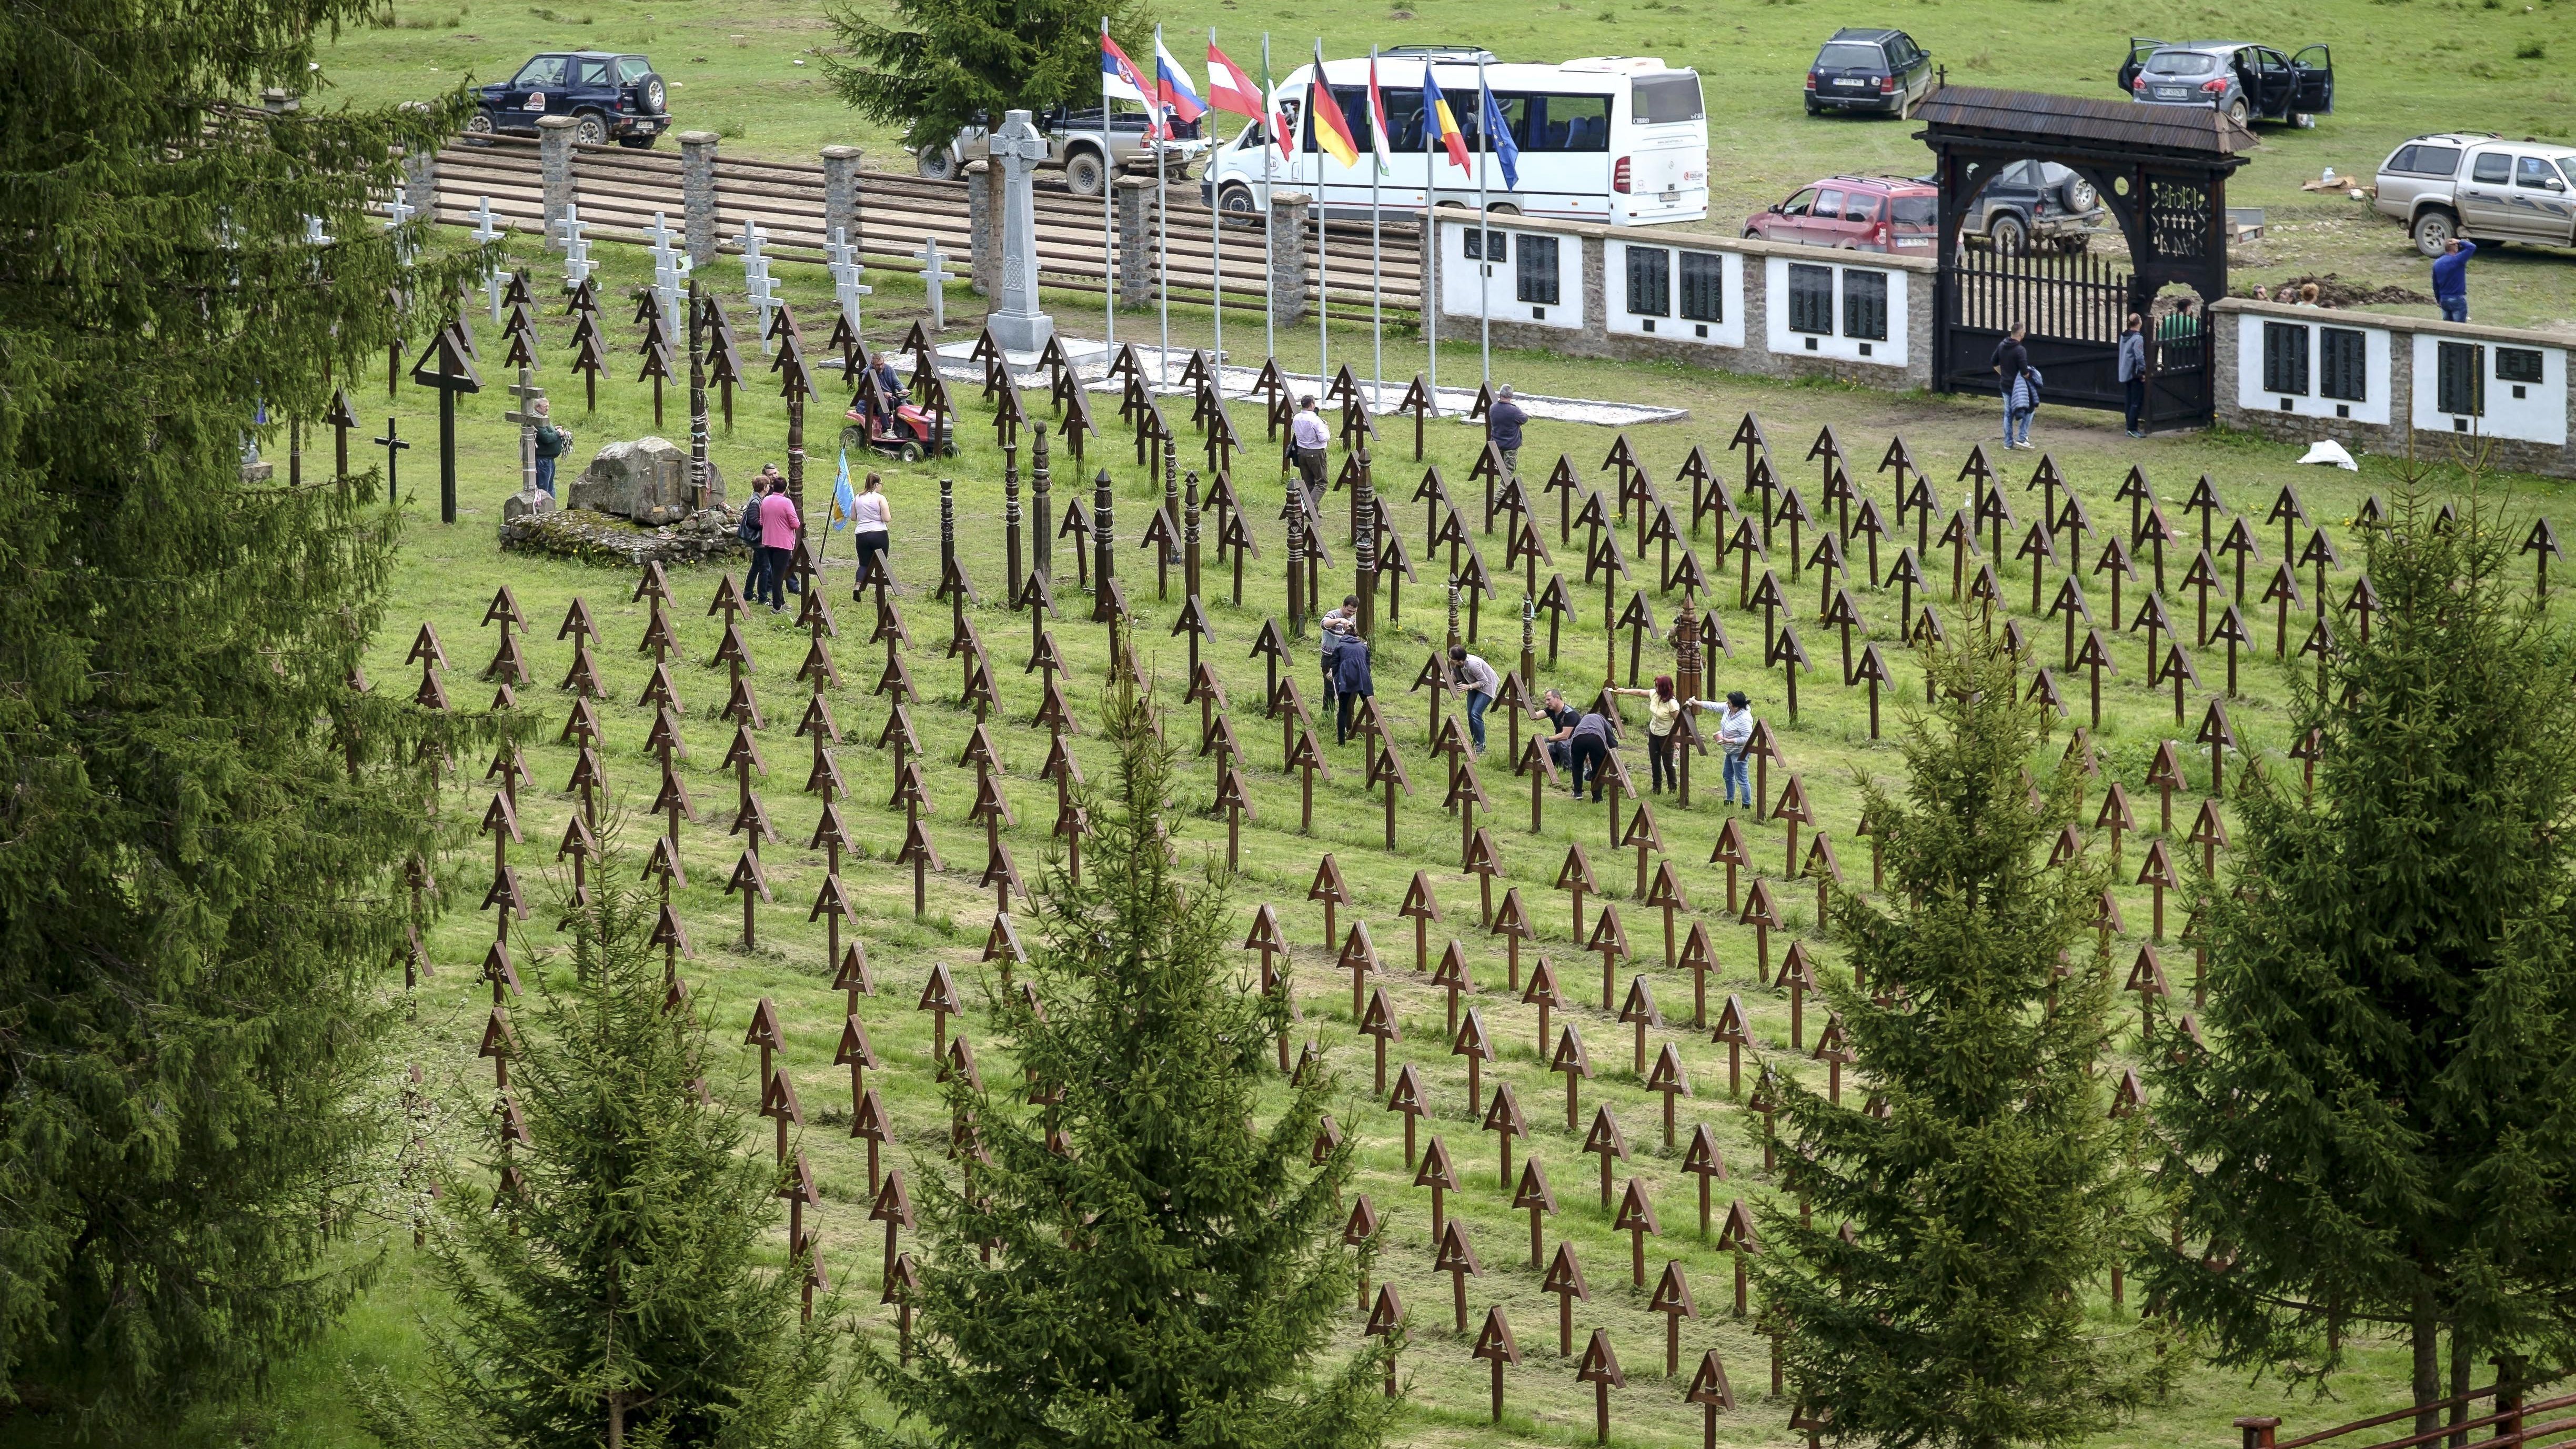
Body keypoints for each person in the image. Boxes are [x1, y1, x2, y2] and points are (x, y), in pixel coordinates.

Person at [1609, 676, 1685, 794]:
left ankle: (1672, 788)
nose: (1655, 688)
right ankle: (1656, 788)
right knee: (1654, 761)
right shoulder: (1654, 694)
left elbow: (1679, 723)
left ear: (1665, 688)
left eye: (1657, 686)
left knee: (1668, 764)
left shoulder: (1673, 704)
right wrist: (1625, 691)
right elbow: (1640, 692)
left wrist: (1678, 740)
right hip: (1653, 733)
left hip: (1666, 736)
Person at [1690, 690, 1755, 807]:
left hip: (1740, 752)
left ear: (1736, 706)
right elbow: (1714, 706)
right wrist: (1697, 703)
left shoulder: (1745, 719)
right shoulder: (1728, 709)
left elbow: (1748, 739)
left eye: (1730, 703)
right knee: (1727, 775)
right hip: (1729, 750)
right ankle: (1730, 800)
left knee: (1741, 778)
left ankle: (1746, 804)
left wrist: (1729, 740)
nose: (1727, 704)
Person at [756, 476, 802, 611]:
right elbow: (795, 523)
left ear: (772, 487)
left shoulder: (766, 500)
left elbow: (761, 521)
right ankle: (777, 606)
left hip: (768, 541)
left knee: (776, 571)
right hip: (782, 543)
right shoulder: (787, 503)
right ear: (786, 489)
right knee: (778, 575)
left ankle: (781, 601)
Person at [1566, 694, 1618, 802]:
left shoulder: (1583, 719)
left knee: (1577, 766)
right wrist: (1614, 749)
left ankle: (1578, 793)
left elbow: (1576, 732)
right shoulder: (1603, 720)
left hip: (1578, 739)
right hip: (1596, 739)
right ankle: (1597, 797)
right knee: (1598, 769)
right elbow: (1612, 741)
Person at [1450, 646, 1502, 753]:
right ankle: (1475, 740)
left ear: (1460, 660)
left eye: (1452, 658)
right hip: (1473, 684)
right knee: (1470, 714)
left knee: (1475, 714)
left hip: (1487, 686)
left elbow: (1485, 681)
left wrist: (1468, 687)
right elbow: (1454, 677)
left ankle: (1481, 745)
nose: (1450, 659)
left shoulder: (1472, 665)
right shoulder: (1455, 664)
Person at [1332, 628, 1374, 745]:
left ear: (1344, 636)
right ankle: (1374, 734)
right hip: (1363, 678)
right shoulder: (1363, 646)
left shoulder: (1339, 646)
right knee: (1371, 708)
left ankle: (1341, 742)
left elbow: (1335, 666)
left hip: (1346, 679)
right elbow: (1367, 665)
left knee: (1343, 709)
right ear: (1356, 636)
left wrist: (1337, 679)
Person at [849, 471, 892, 587]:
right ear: (877, 485)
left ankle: (858, 585)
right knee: (881, 564)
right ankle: (879, 594)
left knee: (863, 564)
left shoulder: (858, 498)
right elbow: (887, 518)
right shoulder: (880, 498)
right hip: (879, 533)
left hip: (861, 534)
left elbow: (853, 517)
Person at [1991, 325, 2029, 450]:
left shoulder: (2002, 345)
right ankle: (2022, 437)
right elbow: (2025, 372)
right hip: (2018, 388)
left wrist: (2003, 374)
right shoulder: (2020, 350)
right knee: (2029, 409)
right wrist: (2031, 377)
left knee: (2008, 413)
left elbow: (1994, 361)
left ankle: (2008, 443)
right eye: (2024, 332)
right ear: (2020, 334)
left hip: (2005, 385)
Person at [1319, 595, 1356, 713]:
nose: (1351, 614)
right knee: (1330, 689)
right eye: (1349, 610)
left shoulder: (1353, 619)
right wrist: (1340, 620)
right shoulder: (1334, 615)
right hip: (1330, 658)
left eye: (1354, 612)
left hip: (1344, 659)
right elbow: (1324, 624)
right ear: (1343, 605)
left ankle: (1344, 717)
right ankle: (1327, 716)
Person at [1291, 396, 1331, 504]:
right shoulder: (1315, 420)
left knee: (1308, 483)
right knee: (1322, 483)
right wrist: (1326, 428)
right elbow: (1324, 438)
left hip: (1301, 452)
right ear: (1312, 405)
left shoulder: (1296, 417)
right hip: (1316, 452)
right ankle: (1311, 507)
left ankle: (1312, 513)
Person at [1533, 688, 1581, 773]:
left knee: (1561, 745)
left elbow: (1565, 736)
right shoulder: (1552, 710)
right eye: (1546, 700)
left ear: (1557, 698)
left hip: (1575, 742)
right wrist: (1527, 706)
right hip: (1560, 742)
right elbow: (1535, 716)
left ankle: (1570, 770)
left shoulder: (1570, 714)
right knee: (1550, 748)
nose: (1547, 703)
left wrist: (1546, 739)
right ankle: (1552, 768)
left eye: (1549, 700)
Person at [2118, 313, 2149, 439]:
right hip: (2135, 374)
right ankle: (2132, 429)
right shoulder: (2138, 338)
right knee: (2136, 402)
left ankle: (2129, 427)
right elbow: (2139, 357)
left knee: (2129, 401)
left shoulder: (2124, 336)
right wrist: (2143, 371)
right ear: (2139, 323)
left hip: (2125, 372)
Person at [530, 397, 569, 497]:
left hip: (549, 460)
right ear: (537, 407)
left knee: (550, 487)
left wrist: (555, 429)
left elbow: (548, 432)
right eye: (545, 407)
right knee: (544, 489)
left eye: (548, 406)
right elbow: (546, 438)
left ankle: (551, 508)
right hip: (543, 461)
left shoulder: (543, 417)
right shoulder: (537, 421)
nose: (547, 409)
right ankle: (544, 508)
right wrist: (558, 433)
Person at [1487, 384, 1529, 476]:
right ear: (1511, 396)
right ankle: (1501, 491)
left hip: (1497, 444)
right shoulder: (1514, 411)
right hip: (1511, 445)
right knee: (1508, 471)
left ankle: (1503, 488)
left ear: (1500, 394)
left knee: (1500, 468)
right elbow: (1525, 419)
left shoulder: (1493, 408)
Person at [2432, 238, 2476, 324]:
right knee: (2459, 330)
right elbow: (2472, 247)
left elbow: (2435, 285)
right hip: (2457, 299)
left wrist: (2439, 300)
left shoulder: (2437, 263)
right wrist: (2459, 241)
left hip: (2444, 299)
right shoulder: (2458, 260)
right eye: (2457, 245)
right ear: (2455, 247)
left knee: (2448, 329)